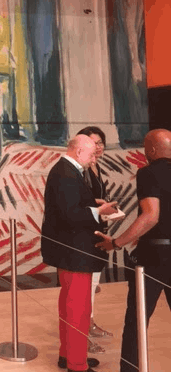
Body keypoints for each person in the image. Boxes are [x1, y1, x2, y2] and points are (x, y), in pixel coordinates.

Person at [96, 129, 171, 372]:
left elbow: (151, 215)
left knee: (136, 324)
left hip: (154, 258)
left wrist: (116, 242)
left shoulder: (148, 173)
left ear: (151, 151)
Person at [41, 134, 118, 372]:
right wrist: (98, 211)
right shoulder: (66, 173)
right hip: (75, 252)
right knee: (78, 309)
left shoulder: (66, 170)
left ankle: (68, 355)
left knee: (69, 305)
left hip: (71, 251)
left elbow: (70, 204)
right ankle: (77, 367)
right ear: (78, 151)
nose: (94, 159)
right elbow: (70, 215)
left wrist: (92, 204)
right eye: (91, 154)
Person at [77, 126, 114, 352]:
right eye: (93, 143)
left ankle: (89, 323)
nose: (98, 147)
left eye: (100, 142)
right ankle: (83, 331)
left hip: (97, 231)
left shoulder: (95, 166)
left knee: (93, 284)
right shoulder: (81, 169)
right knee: (85, 286)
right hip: (86, 234)